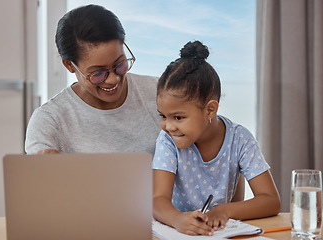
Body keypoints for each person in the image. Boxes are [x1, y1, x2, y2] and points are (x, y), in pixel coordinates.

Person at [152, 41, 281, 236]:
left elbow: (271, 200)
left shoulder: (240, 139)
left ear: (210, 109)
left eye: (178, 117)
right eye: (163, 116)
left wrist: (225, 210)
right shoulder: (167, 141)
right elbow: (158, 200)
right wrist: (177, 219)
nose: (168, 126)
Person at [25, 4, 161, 155]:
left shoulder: (160, 92)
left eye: (120, 64)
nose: (113, 79)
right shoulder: (50, 121)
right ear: (69, 65)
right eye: (98, 73)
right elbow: (37, 175)